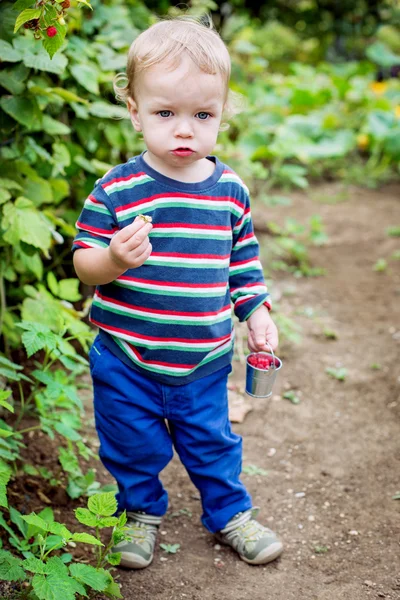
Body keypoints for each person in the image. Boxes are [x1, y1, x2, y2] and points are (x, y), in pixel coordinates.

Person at [72, 16, 283, 569]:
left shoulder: (229, 191)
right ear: (135, 111)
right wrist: (113, 258)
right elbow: (83, 266)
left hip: (204, 359)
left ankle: (229, 514)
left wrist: (257, 310)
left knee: (213, 446)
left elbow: (243, 263)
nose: (184, 129)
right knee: (130, 447)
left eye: (202, 115)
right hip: (126, 356)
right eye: (166, 113)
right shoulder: (117, 189)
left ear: (222, 114)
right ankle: (140, 514)